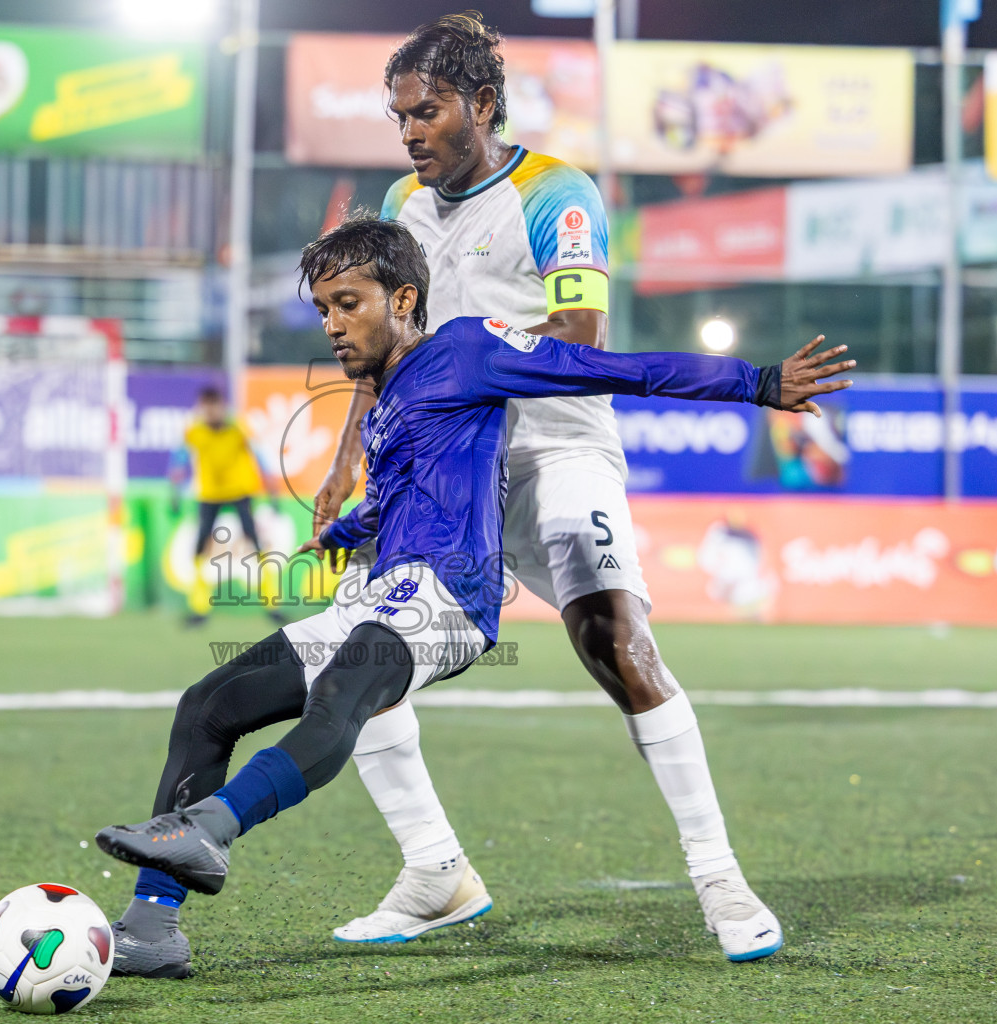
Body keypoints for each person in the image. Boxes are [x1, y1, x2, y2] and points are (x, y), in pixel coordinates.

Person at [96, 216, 854, 974]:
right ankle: (150, 928)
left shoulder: (467, 348)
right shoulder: (391, 393)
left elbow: (615, 368)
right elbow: (403, 494)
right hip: (383, 591)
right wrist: (343, 530)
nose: (331, 324)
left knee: (346, 691)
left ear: (404, 298)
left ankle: (213, 828)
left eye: (348, 302)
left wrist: (755, 383)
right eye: (324, 307)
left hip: (450, 593)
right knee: (209, 704)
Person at [306, 13, 778, 955]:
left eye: (426, 112)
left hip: (555, 450)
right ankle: (434, 871)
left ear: (480, 105)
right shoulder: (401, 205)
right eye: (398, 116)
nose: (408, 133)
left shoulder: (556, 192)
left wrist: (474, 374)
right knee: (358, 654)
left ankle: (722, 882)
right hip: (441, 466)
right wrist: (347, 455)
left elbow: (582, 337)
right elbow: (382, 351)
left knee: (613, 638)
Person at [170, 386, 284, 627]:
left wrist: (273, 491)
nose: (211, 412)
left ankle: (272, 604)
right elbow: (179, 461)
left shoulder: (239, 427)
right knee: (200, 545)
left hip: (239, 491)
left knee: (256, 543)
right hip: (209, 493)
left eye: (215, 406)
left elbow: (261, 456)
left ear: (222, 406)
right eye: (206, 407)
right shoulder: (194, 431)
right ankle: (199, 607)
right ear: (201, 408)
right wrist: (175, 493)